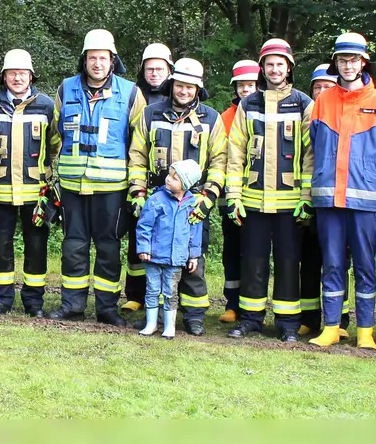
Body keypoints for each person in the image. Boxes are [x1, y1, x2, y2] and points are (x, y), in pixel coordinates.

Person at [304, 32, 376, 349]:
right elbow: (315, 144)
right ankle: (332, 327)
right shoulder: (323, 101)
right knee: (332, 264)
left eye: (354, 60)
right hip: (329, 198)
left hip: (365, 200)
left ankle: (365, 331)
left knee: (365, 266)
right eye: (342, 60)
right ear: (336, 63)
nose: (348, 65)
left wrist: (368, 174)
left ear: (363, 63)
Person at [52, 30, 147, 325]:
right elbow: (55, 133)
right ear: (84, 60)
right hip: (72, 185)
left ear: (112, 61)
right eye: (92, 58)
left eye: (103, 58)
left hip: (112, 188)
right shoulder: (65, 89)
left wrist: (136, 185)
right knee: (73, 246)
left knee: (108, 248)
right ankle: (72, 306)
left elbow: (139, 143)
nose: (97, 63)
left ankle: (107, 309)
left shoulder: (131, 93)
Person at [127, 58, 227, 335]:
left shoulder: (211, 118)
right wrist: (137, 191)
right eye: (180, 85)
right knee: (154, 259)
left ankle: (193, 316)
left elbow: (220, 161)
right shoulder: (150, 114)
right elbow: (137, 155)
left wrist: (208, 196)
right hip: (157, 200)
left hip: (193, 201)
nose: (184, 91)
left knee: (193, 258)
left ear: (198, 89)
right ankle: (155, 315)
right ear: (171, 85)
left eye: (190, 87)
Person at [224, 39, 313, 341]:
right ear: (262, 68)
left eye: (280, 64)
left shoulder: (303, 104)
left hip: (291, 203)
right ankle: (251, 319)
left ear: (289, 68)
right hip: (253, 201)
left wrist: (307, 198)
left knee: (288, 263)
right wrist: (233, 196)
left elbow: (311, 155)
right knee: (253, 261)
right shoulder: (248, 104)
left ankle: (288, 323)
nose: (275, 69)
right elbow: (236, 152)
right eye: (270, 64)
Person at [0, 49, 61, 317]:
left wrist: (42, 167)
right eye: (12, 73)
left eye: (22, 73)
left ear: (31, 76)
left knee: (36, 246)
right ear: (4, 77)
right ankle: (1, 300)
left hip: (37, 192)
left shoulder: (46, 106)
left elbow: (55, 143)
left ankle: (34, 301)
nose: (17, 78)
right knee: (1, 246)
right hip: (0, 191)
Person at [124, 42, 175, 310]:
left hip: (171, 184)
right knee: (138, 236)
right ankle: (135, 295)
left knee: (170, 239)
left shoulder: (180, 97)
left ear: (170, 70)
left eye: (159, 69)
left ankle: (169, 297)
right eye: (149, 69)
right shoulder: (131, 96)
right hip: (138, 181)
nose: (154, 73)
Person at [135, 159, 206, 340]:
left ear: (186, 184)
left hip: (176, 259)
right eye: (169, 175)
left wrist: (193, 256)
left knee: (170, 292)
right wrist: (144, 248)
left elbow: (195, 231)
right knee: (152, 290)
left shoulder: (192, 204)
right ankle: (151, 323)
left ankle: (169, 326)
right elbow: (144, 226)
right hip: (153, 257)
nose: (168, 179)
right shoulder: (156, 199)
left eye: (175, 178)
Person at [216, 59, 259, 323]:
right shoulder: (225, 118)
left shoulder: (267, 114)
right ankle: (232, 305)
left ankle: (252, 306)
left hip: (259, 197)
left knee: (254, 255)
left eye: (250, 84)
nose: (246, 89)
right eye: (241, 85)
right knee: (231, 251)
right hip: (230, 197)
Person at [300, 63, 339, 334]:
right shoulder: (306, 115)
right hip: (309, 200)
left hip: (337, 201)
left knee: (337, 262)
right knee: (309, 260)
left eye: (328, 86)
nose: (322, 91)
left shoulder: (343, 115)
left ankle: (340, 320)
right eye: (318, 87)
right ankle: (309, 318)